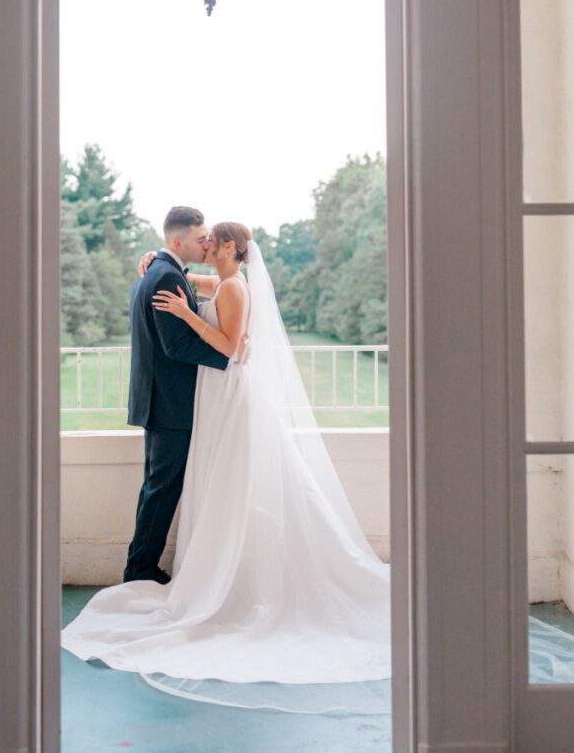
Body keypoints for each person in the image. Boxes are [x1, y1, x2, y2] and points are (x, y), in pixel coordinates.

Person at [62, 222, 391, 713]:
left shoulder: (236, 286)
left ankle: (237, 572)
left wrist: (185, 315)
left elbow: (232, 346)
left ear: (233, 248)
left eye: (215, 240)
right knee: (216, 480)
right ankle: (205, 563)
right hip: (212, 396)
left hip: (230, 394)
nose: (208, 245)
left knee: (237, 481)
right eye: (203, 239)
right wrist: (154, 262)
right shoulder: (220, 281)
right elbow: (190, 282)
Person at [123, 206, 229, 584]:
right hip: (169, 404)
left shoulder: (161, 270)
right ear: (178, 240)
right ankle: (140, 572)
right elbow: (176, 346)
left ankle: (139, 567)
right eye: (201, 240)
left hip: (159, 400)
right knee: (161, 490)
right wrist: (229, 359)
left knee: (157, 488)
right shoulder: (165, 276)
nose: (208, 244)